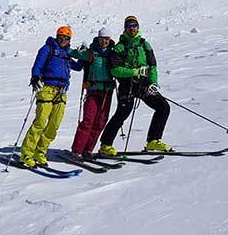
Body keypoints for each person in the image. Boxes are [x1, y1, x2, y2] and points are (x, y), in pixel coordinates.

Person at [99, 16, 171, 155]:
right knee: (122, 114)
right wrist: (135, 72)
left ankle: (153, 141)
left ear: (138, 27)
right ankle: (105, 145)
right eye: (129, 26)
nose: (132, 28)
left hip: (144, 86)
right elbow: (114, 70)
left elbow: (152, 66)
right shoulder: (119, 47)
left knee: (163, 107)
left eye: (134, 25)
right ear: (125, 29)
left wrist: (153, 83)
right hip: (127, 86)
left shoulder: (145, 45)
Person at [19, 26, 82, 167]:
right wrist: (35, 77)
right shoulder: (48, 49)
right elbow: (37, 65)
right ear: (57, 36)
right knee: (40, 122)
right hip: (47, 88)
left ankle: (40, 152)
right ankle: (26, 154)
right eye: (61, 37)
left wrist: (83, 56)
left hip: (62, 91)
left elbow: (77, 67)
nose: (63, 40)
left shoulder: (66, 53)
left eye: (66, 38)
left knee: (54, 124)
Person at [69, 28, 116, 158]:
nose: (104, 41)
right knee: (88, 120)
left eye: (107, 39)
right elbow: (72, 53)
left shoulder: (113, 53)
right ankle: (77, 150)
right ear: (98, 39)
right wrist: (59, 46)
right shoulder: (90, 53)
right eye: (102, 39)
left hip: (107, 92)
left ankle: (88, 149)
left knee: (100, 122)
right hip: (93, 91)